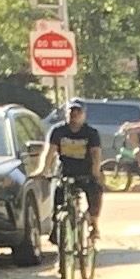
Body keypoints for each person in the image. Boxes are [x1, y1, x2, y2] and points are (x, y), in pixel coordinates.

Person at [43, 100, 107, 247]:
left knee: (95, 192)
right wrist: (43, 170)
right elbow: (49, 153)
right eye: (71, 112)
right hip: (65, 171)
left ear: (84, 115)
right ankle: (58, 228)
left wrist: (95, 173)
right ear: (66, 114)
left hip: (86, 171)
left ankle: (94, 224)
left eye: (78, 112)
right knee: (58, 195)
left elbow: (96, 154)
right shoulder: (58, 131)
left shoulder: (91, 133)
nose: (74, 115)